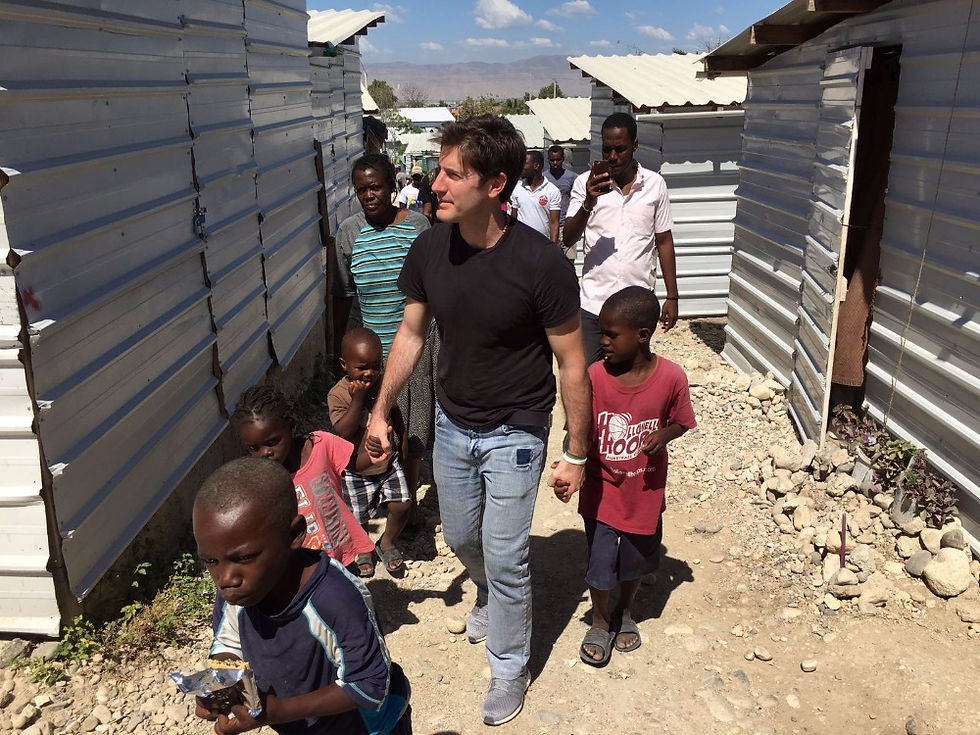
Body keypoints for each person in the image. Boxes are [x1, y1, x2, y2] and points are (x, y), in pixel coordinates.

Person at [364, 114, 591, 726]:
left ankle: (509, 667)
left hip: (517, 425)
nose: (434, 183)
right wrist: (381, 410)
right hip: (454, 420)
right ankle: (487, 589)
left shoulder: (541, 264)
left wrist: (575, 451)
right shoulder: (431, 244)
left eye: (450, 173)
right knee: (463, 537)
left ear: (494, 185)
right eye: (439, 169)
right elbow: (411, 333)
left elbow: (572, 363)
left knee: (507, 553)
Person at [193, 457, 412, 734]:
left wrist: (279, 711)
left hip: (365, 727)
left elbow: (368, 686)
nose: (225, 579)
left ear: (295, 534)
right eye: (211, 561)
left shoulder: (335, 598)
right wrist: (221, 685)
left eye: (246, 557)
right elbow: (228, 643)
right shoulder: (238, 591)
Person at [555, 286, 696, 667]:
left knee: (633, 561)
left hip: (644, 492)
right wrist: (570, 465)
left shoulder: (671, 378)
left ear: (643, 335)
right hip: (603, 493)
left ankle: (626, 611)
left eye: (611, 335)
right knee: (601, 562)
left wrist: (663, 435)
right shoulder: (594, 377)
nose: (603, 342)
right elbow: (577, 428)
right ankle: (601, 618)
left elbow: (682, 422)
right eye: (601, 332)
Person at [332, 153, 434, 504]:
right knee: (377, 423)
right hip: (371, 352)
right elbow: (343, 294)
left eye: (375, 187)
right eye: (361, 190)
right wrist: (339, 347)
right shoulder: (348, 233)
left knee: (413, 427)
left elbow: (433, 287)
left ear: (392, 185)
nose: (369, 195)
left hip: (416, 344)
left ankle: (406, 503)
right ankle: (376, 489)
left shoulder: (418, 227)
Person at [562, 113, 680, 363]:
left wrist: (672, 296)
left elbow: (664, 241)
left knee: (632, 377)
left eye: (620, 149)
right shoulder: (585, 183)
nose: (612, 157)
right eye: (607, 150)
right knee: (588, 376)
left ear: (635, 145)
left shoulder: (655, 185)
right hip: (594, 303)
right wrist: (588, 201)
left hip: (637, 304)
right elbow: (568, 237)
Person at [231, 385, 377, 577]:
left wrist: (376, 453)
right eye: (253, 448)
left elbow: (353, 464)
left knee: (350, 599)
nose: (265, 453)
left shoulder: (320, 446)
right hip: (301, 568)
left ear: (291, 427)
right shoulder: (260, 481)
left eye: (273, 442)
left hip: (340, 555)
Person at [328, 328, 412, 578]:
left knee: (402, 505)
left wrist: (402, 436)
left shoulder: (381, 385)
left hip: (388, 462)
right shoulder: (339, 394)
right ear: (344, 365)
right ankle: (363, 548)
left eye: (376, 366)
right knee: (358, 516)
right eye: (362, 367)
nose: (370, 373)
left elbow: (394, 410)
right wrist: (359, 399)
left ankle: (386, 542)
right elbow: (343, 432)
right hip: (356, 469)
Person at [508, 150, 560, 243]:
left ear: (536, 166)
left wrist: (553, 247)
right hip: (521, 242)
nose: (521, 168)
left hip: (542, 244)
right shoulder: (517, 189)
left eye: (525, 164)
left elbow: (554, 222)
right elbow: (514, 218)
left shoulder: (552, 191)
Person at [544, 145, 578, 259]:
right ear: (548, 160)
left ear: (563, 159)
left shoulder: (572, 178)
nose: (555, 163)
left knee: (569, 259)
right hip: (549, 226)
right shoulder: (543, 178)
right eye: (552, 160)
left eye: (558, 160)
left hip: (566, 226)